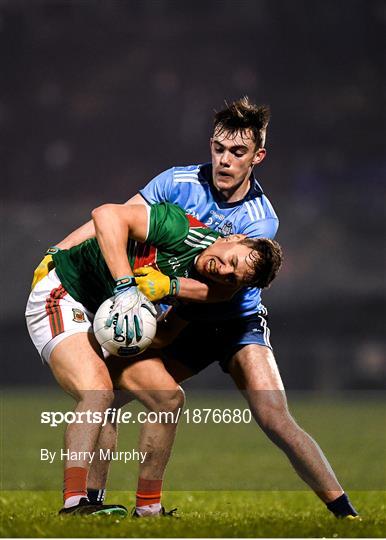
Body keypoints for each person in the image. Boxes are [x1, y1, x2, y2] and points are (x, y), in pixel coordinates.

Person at [37, 96, 359, 520]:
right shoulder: (177, 182)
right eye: (219, 149)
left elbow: (222, 291)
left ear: (257, 156)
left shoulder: (261, 219)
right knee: (110, 397)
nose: (226, 161)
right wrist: (60, 248)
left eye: (238, 152)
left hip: (234, 322)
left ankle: (345, 513)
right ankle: (96, 507)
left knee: (274, 416)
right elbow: (117, 216)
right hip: (180, 320)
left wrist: (162, 286)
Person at [26, 200, 282, 516]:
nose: (224, 271)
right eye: (231, 260)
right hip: (66, 294)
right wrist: (126, 288)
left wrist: (146, 318)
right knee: (98, 391)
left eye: (233, 277)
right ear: (232, 238)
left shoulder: (217, 288)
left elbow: (164, 336)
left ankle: (148, 509)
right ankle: (74, 503)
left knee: (168, 398)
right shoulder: (180, 229)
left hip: (113, 319)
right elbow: (105, 215)